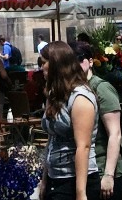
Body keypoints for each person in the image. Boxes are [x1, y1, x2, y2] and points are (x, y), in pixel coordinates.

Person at [39, 40, 100, 200]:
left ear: (56, 65)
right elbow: (51, 139)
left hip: (76, 181)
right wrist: (45, 179)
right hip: (55, 177)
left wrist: (80, 193)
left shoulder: (80, 97)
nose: (40, 67)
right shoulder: (54, 95)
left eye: (43, 62)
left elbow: (83, 146)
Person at [74, 42, 122, 200]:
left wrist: (109, 175)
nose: (74, 64)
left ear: (90, 61)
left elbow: (115, 134)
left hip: (105, 170)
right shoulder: (77, 89)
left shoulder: (101, 88)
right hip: (90, 171)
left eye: (79, 59)